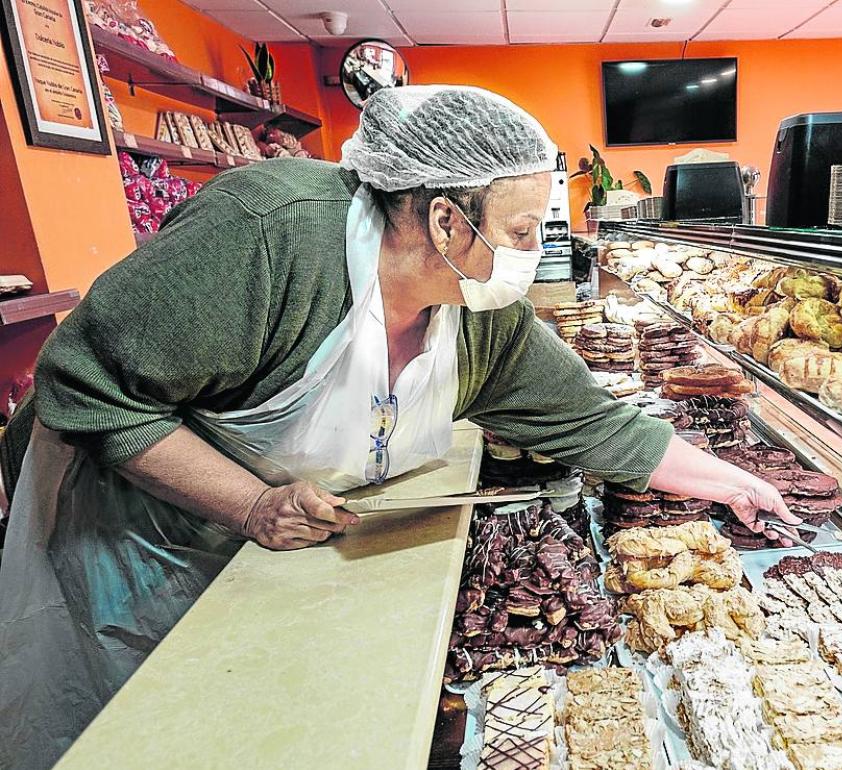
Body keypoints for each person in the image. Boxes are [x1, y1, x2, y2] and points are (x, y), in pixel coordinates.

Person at [0, 85, 798, 769]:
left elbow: (593, 421)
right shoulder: (269, 236)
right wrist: (247, 506)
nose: (531, 252)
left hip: (277, 529)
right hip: (131, 516)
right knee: (134, 718)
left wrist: (737, 484)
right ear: (448, 221)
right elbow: (88, 386)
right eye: (520, 232)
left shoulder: (481, 319)